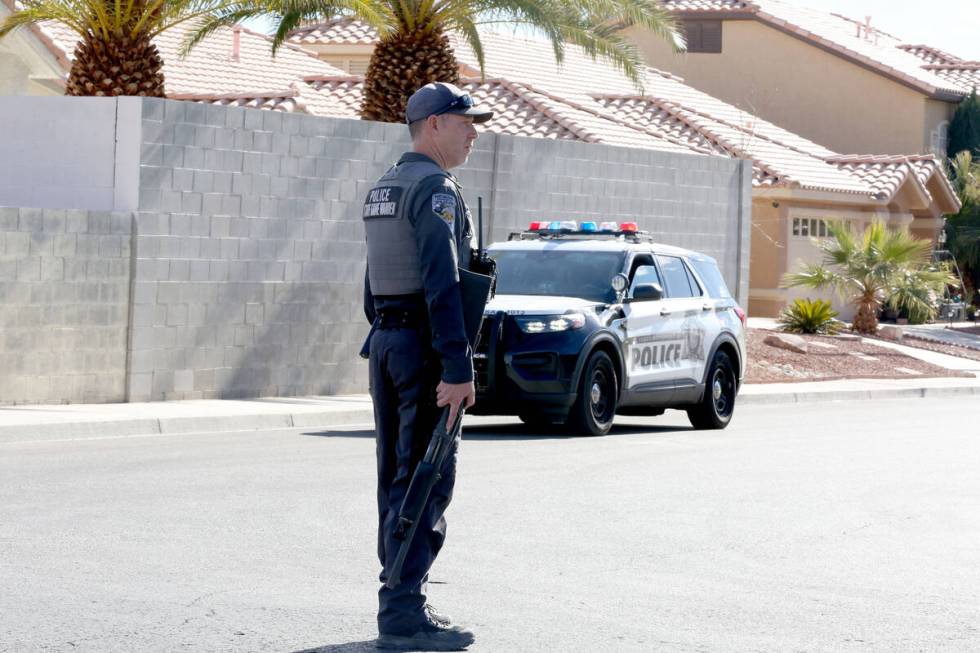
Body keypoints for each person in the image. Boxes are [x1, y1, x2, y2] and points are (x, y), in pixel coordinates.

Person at [361, 82, 493, 651]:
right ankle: (403, 614)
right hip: (424, 347)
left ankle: (398, 598)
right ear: (433, 125)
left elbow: (372, 282)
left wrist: (390, 332)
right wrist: (458, 366)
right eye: (465, 122)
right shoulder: (436, 189)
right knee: (428, 474)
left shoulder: (385, 186)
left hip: (389, 343)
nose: (474, 133)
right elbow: (441, 280)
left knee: (396, 473)